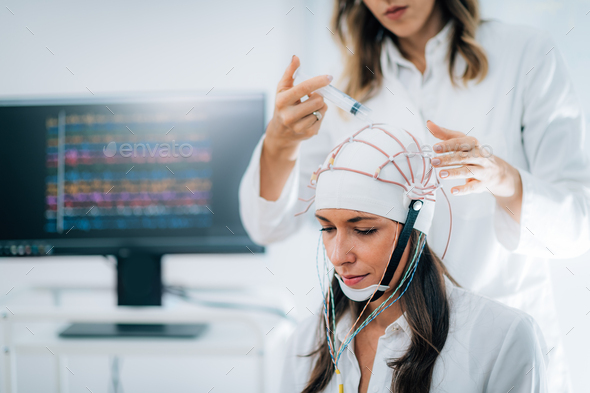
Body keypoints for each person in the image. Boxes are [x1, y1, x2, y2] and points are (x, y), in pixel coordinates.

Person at [239, 0, 590, 391]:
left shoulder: (524, 54)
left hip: (495, 348)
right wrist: (279, 144)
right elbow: (267, 224)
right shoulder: (343, 88)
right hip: (385, 337)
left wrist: (503, 178)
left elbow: (577, 223)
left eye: (364, 230)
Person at [279, 124, 548, 393]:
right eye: (327, 228)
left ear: (414, 225)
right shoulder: (305, 342)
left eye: (364, 230)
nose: (338, 256)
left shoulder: (501, 339)